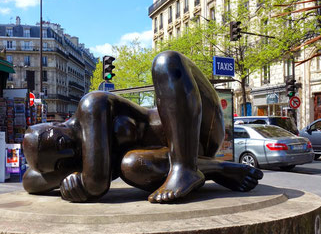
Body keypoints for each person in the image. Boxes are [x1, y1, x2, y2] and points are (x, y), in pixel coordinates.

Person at [22, 51, 263, 203]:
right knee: (131, 166)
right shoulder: (79, 158)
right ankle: (217, 168)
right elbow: (29, 182)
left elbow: (95, 185)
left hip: (197, 127)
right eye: (59, 155)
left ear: (55, 124)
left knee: (166, 61)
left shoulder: (90, 106)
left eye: (57, 138)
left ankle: (186, 166)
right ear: (60, 164)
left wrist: (75, 181)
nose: (65, 147)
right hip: (167, 159)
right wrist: (69, 180)